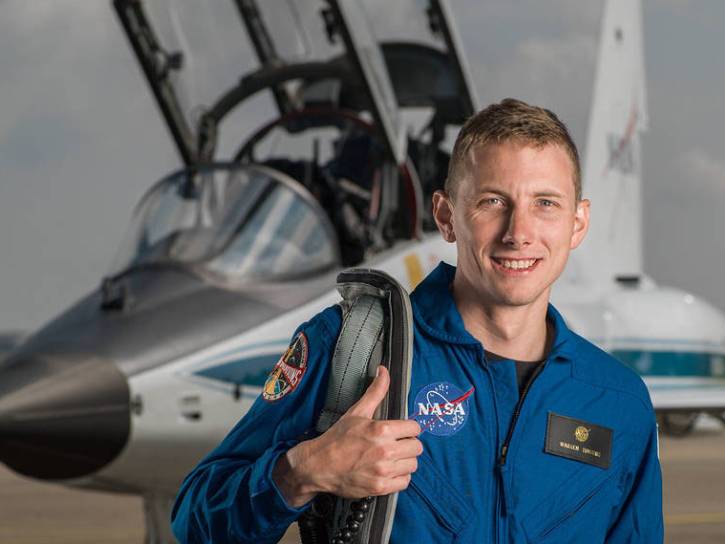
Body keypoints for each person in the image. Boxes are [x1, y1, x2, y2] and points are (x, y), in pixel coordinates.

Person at [171, 98, 663, 543]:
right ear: (446, 216)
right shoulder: (352, 347)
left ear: (578, 223)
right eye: (493, 201)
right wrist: (301, 472)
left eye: (545, 204)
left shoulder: (618, 401)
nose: (520, 232)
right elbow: (196, 521)